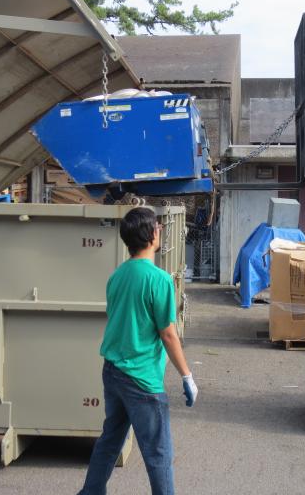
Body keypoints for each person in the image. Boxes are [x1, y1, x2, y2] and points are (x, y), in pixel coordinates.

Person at [78, 207, 198, 495]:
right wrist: (187, 376)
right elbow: (168, 333)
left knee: (110, 441)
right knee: (158, 454)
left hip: (113, 372)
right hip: (142, 379)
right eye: (158, 226)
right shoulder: (159, 280)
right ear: (152, 235)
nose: (160, 230)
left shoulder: (117, 275)